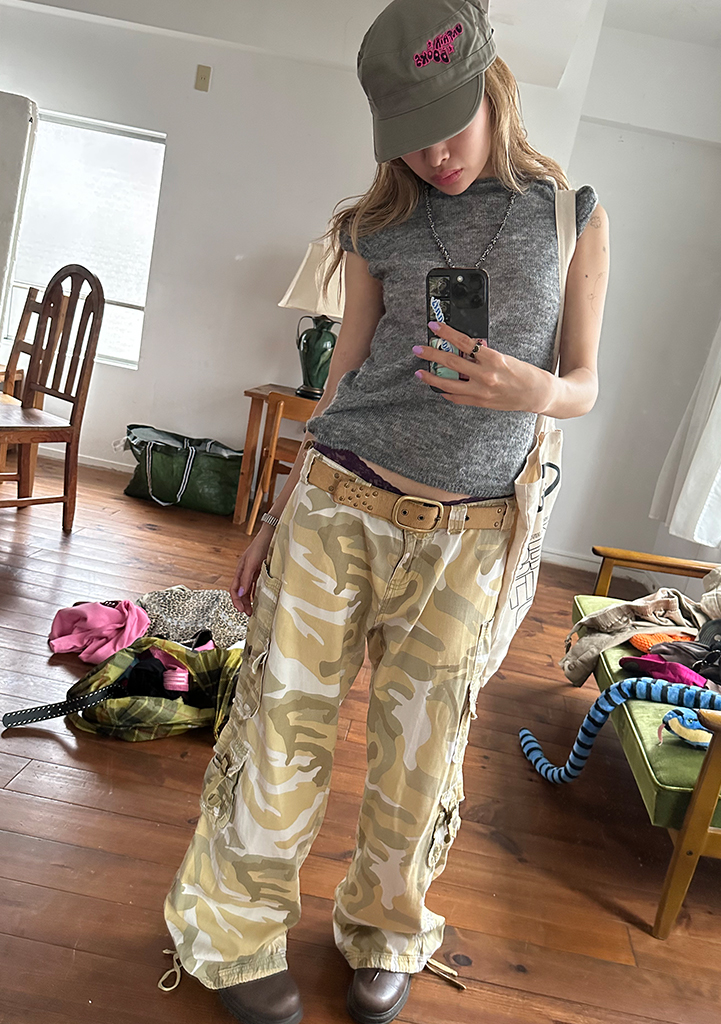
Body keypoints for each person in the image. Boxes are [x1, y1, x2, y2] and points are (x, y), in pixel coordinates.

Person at [163, 2, 610, 1023]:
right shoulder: (375, 226)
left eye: (447, 125)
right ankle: (232, 934)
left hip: (470, 538)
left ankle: (386, 930)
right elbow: (342, 383)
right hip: (339, 504)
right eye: (407, 136)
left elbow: (586, 383)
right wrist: (272, 515)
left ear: (492, 86)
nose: (432, 155)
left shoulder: (569, 216)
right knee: (278, 729)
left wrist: (534, 391)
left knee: (423, 754)